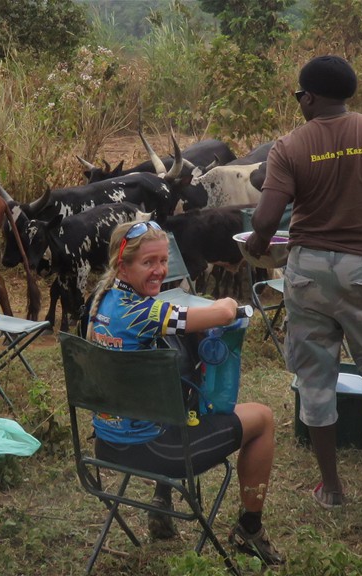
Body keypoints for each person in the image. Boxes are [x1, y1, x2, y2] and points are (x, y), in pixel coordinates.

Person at [247, 55, 362, 509]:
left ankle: (332, 489)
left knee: (316, 379)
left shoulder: (290, 146)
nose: (299, 102)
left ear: (310, 97)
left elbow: (265, 218)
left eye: (300, 95)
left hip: (309, 272)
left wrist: (258, 243)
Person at [85, 220, 284, 565]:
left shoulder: (101, 302)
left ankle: (163, 500)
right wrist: (226, 301)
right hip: (156, 451)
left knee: (175, 364)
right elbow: (222, 313)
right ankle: (250, 528)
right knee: (263, 418)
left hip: (107, 442)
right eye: (149, 262)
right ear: (123, 266)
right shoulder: (147, 313)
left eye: (163, 261)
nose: (160, 270)